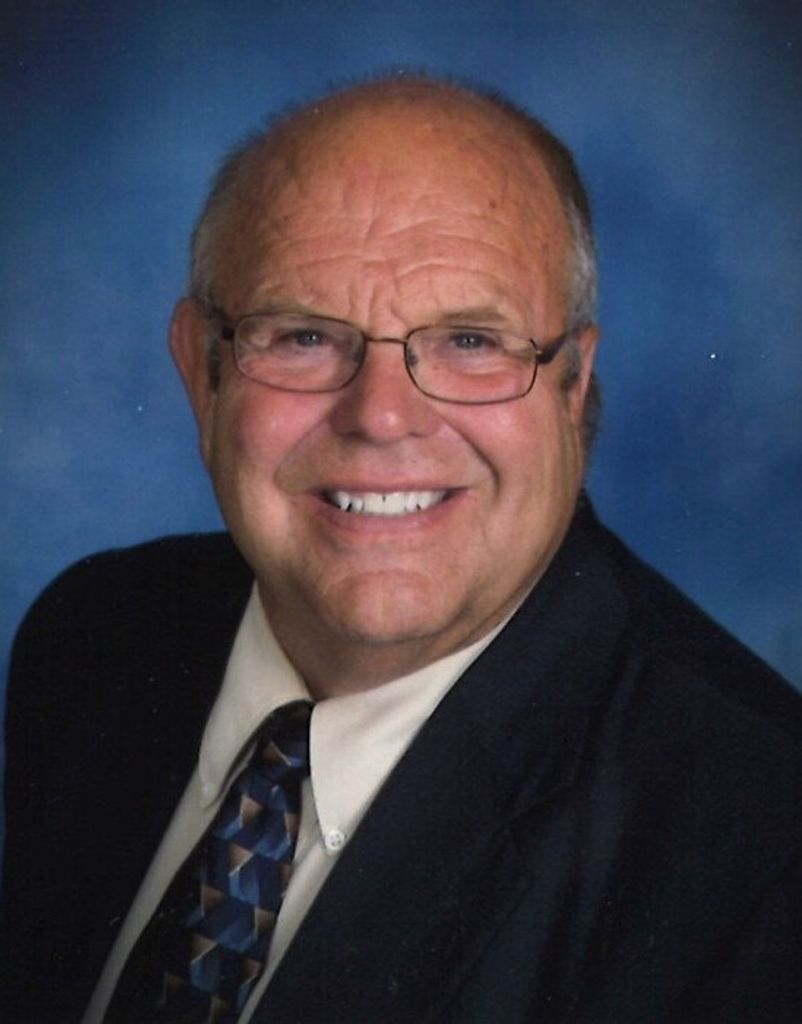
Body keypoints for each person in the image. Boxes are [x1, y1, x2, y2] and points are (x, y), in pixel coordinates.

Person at [2, 75, 800, 1024]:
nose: (382, 416)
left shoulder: (757, 843)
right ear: (199, 371)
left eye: (470, 340)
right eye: (304, 335)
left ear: (575, 385)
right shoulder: (93, 634)